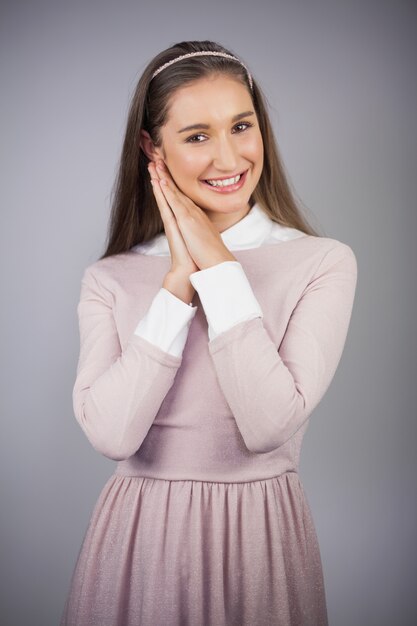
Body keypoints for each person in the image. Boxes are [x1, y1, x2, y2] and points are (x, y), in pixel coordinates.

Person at [60, 40, 358, 626]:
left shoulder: (321, 262)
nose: (229, 157)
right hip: (140, 539)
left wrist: (219, 270)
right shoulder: (110, 278)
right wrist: (177, 282)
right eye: (197, 136)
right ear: (153, 147)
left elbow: (269, 422)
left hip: (260, 539)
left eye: (241, 127)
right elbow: (114, 435)